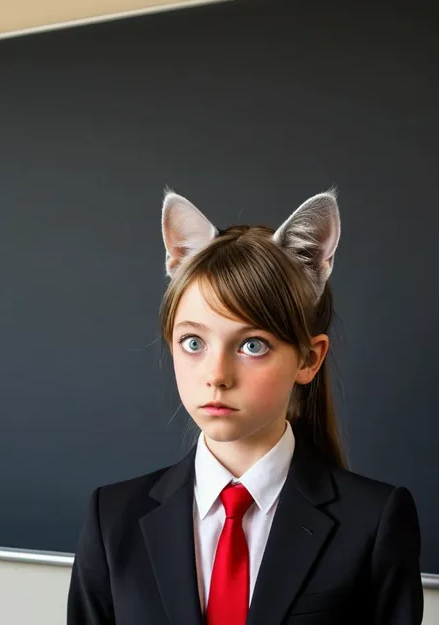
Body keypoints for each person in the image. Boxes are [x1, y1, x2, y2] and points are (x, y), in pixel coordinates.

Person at [67, 187, 423, 625]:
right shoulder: (112, 518)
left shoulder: (373, 520)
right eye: (193, 342)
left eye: (252, 345)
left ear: (309, 359)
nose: (216, 375)